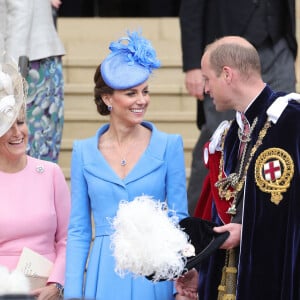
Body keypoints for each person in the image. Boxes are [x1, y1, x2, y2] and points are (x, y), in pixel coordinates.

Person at [64, 31, 189, 300]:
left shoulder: (169, 145)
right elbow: (79, 230)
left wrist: (181, 283)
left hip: (154, 275)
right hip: (104, 274)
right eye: (131, 93)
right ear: (108, 98)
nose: (141, 100)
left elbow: (179, 220)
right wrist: (73, 293)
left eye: (145, 91)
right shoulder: (83, 151)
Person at [176, 36, 300, 300]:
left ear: (227, 74)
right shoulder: (230, 134)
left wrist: (249, 232)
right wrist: (201, 271)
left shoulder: (292, 121)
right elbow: (223, 215)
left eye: (208, 79)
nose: (205, 89)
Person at [179, 0, 298, 215]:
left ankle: (275, 213)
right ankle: (199, 223)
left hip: (279, 42)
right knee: (219, 141)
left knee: (284, 130)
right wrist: (193, 66)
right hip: (228, 47)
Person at [0, 61, 70, 299]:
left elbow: (68, 238)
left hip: (48, 291)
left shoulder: (50, 173)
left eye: (21, 122)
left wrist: (57, 284)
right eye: (8, 126)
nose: (18, 133)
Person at [2, 0, 66, 163]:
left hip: (30, 66)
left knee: (32, 150)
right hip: (31, 62)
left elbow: (21, 12)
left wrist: (12, 74)